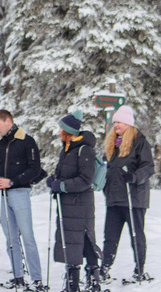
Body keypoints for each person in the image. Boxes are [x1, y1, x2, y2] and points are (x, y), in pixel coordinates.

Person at [0, 109, 46, 292]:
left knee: (27, 236)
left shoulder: (26, 141)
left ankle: (36, 279)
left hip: (20, 193)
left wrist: (12, 181)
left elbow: (35, 169)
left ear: (8, 121)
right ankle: (18, 276)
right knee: (10, 238)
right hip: (1, 195)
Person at [46, 111, 103, 292]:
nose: (59, 132)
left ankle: (93, 282)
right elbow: (63, 174)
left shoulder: (84, 150)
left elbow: (86, 180)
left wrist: (61, 186)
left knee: (85, 241)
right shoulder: (67, 149)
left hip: (81, 205)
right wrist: (53, 181)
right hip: (68, 205)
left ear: (68, 131)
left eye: (61, 129)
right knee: (71, 242)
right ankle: (73, 284)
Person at [100, 105, 154, 285]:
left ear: (128, 124)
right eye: (115, 122)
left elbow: (148, 166)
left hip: (134, 198)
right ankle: (104, 270)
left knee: (136, 235)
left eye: (120, 122)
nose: (116, 125)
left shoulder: (139, 142)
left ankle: (139, 270)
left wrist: (134, 176)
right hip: (115, 198)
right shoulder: (112, 145)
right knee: (110, 236)